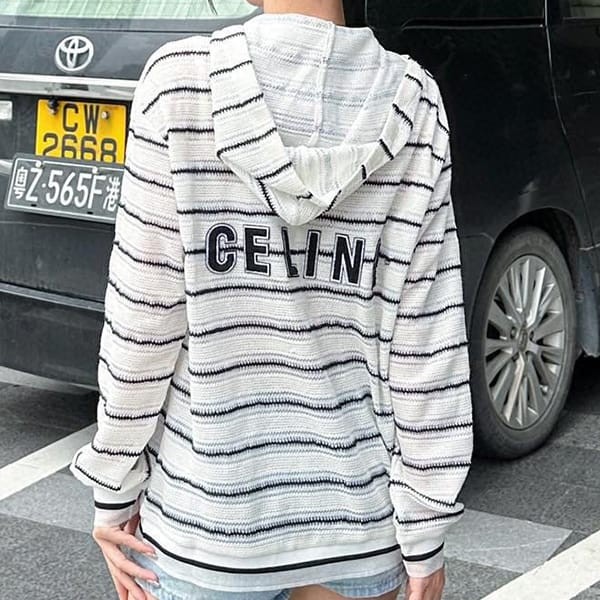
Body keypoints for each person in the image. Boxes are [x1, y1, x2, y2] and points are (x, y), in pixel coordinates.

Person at [69, 1, 473, 599]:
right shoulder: (414, 102)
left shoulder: (181, 84)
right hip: (358, 523)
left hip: (206, 525)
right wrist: (425, 532)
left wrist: (113, 488)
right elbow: (426, 345)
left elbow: (143, 324)